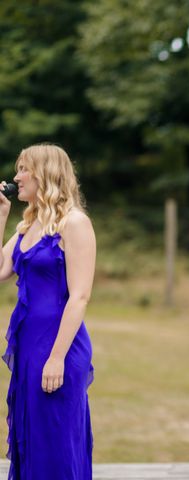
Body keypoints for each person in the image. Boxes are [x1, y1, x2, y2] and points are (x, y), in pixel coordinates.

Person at [0, 144, 95, 479]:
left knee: (55, 440)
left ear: (46, 174)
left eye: (24, 169)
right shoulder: (27, 227)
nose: (16, 177)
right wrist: (1, 218)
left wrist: (56, 358)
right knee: (31, 440)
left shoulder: (75, 223)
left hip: (60, 347)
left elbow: (80, 296)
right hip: (28, 346)